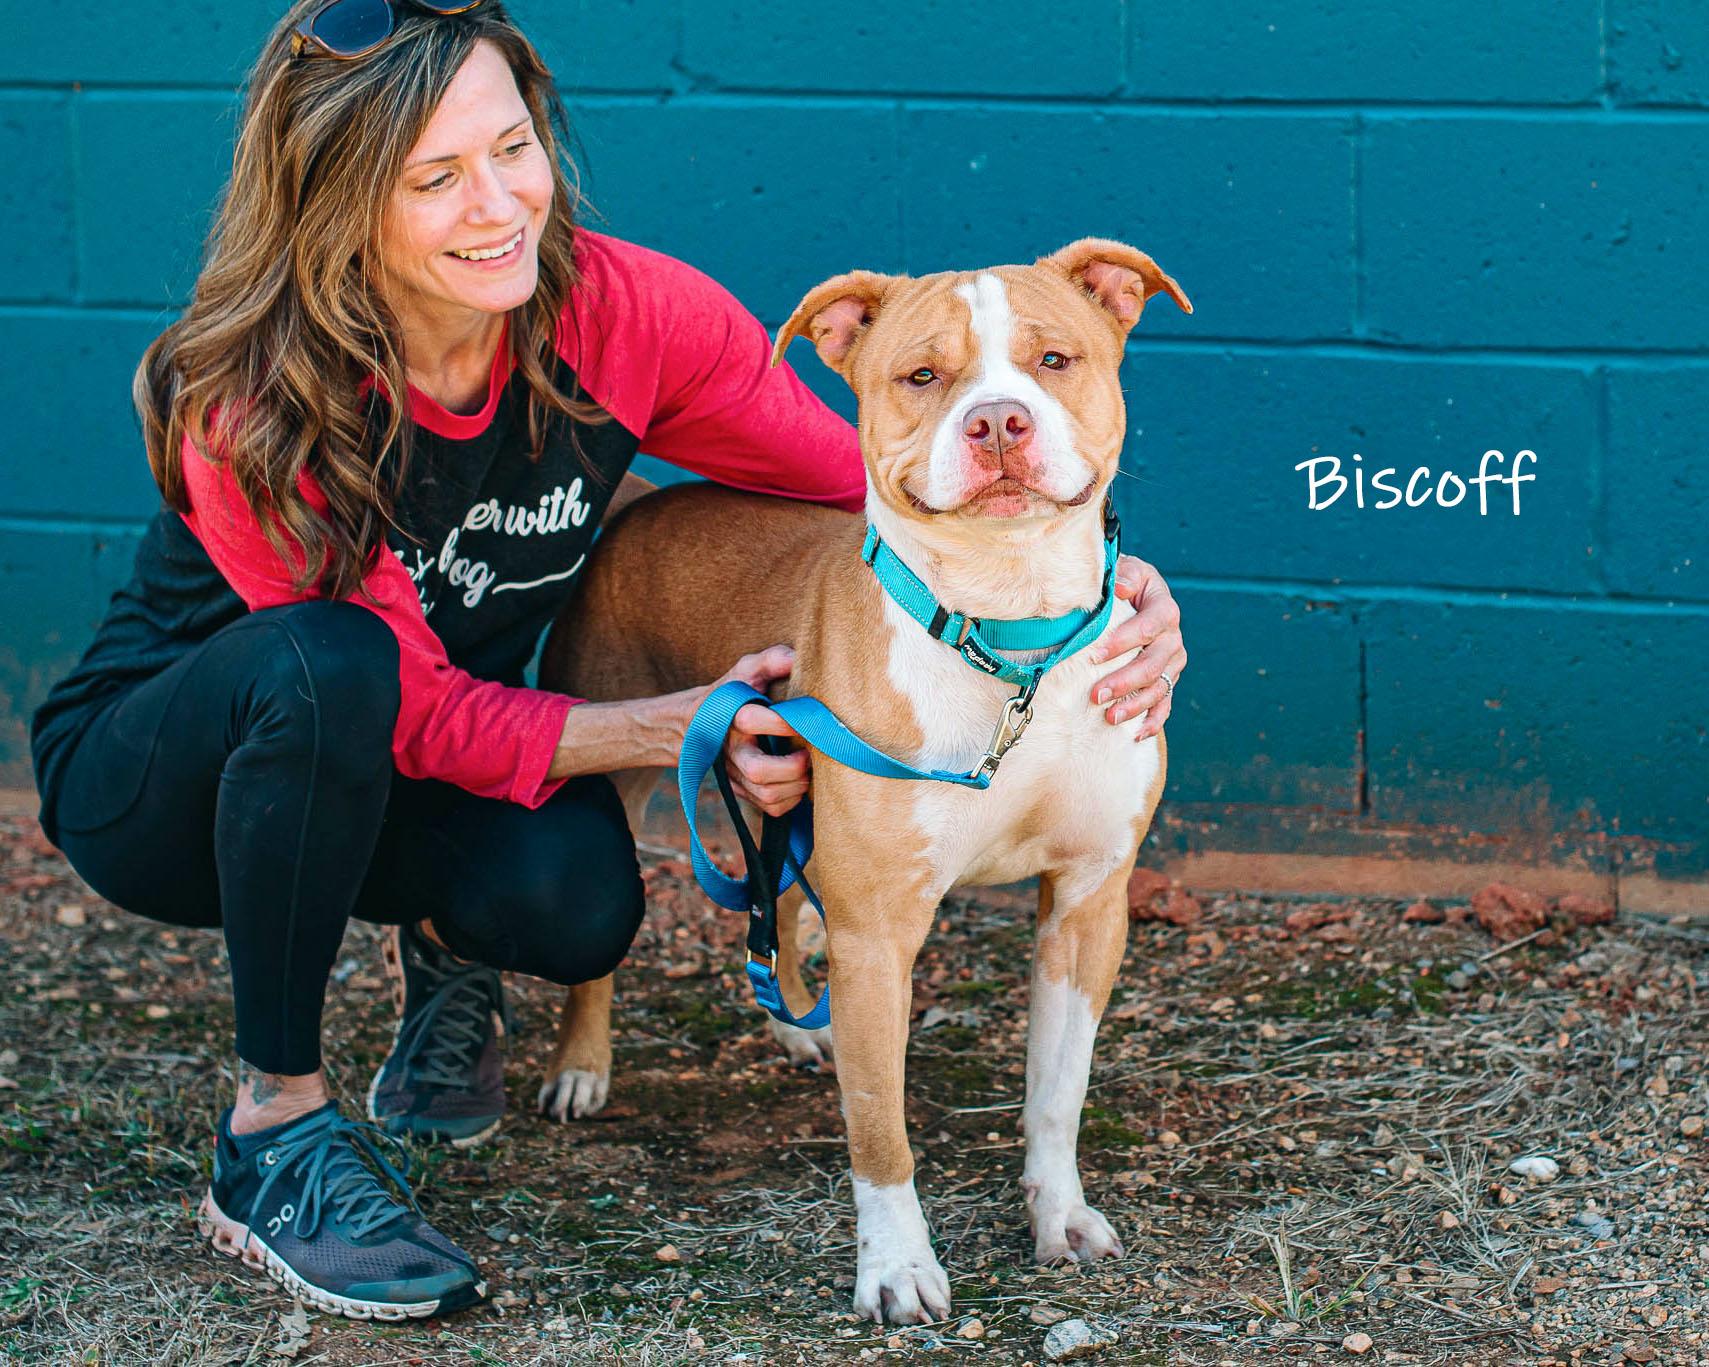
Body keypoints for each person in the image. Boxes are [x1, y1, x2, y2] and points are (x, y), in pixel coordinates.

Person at [27, 0, 1189, 1322]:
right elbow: (396, 701)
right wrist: (673, 726)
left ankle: (447, 965)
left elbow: (881, 488)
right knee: (328, 663)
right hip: (169, 776)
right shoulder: (254, 403)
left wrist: (1092, 590)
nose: (498, 204)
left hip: (416, 742)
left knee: (579, 911)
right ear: (339, 205)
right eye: (435, 178)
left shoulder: (625, 313)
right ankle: (274, 1133)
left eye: (512, 148)